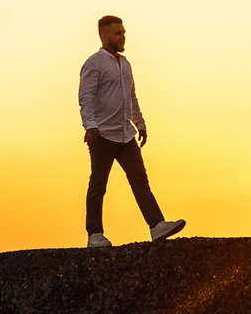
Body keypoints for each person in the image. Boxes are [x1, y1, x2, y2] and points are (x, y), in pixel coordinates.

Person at [79, 15, 185, 248]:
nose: (123, 37)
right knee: (98, 185)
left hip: (126, 134)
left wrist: (140, 123)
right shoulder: (94, 64)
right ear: (104, 35)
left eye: (124, 32)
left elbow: (131, 97)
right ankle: (94, 235)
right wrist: (90, 125)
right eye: (118, 33)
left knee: (140, 180)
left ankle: (156, 225)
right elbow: (85, 97)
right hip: (102, 135)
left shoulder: (125, 65)